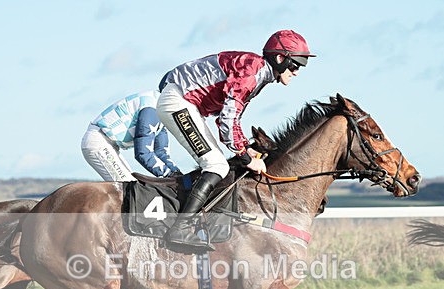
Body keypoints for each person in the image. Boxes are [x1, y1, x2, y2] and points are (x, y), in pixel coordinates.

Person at [156, 29, 315, 252]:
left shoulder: (259, 72)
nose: (297, 72)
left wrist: (246, 151)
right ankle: (180, 228)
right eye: (296, 65)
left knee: (217, 164)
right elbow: (227, 120)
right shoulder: (253, 71)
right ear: (280, 58)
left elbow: (231, 121)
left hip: (185, 103)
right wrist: (244, 156)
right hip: (179, 101)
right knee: (216, 165)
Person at [81, 90, 181, 182]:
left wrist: (179, 174)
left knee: (133, 185)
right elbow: (143, 153)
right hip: (99, 141)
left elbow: (161, 153)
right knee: (128, 188)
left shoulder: (160, 110)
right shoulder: (152, 109)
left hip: (108, 143)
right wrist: (169, 174)